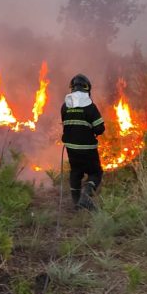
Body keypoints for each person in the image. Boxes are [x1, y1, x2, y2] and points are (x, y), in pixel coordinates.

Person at [60, 73, 105, 210]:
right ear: (87, 89)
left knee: (76, 172)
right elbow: (100, 128)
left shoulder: (65, 106)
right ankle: (86, 196)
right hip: (87, 148)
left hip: (71, 148)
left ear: (72, 88)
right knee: (95, 173)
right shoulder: (90, 107)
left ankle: (76, 203)